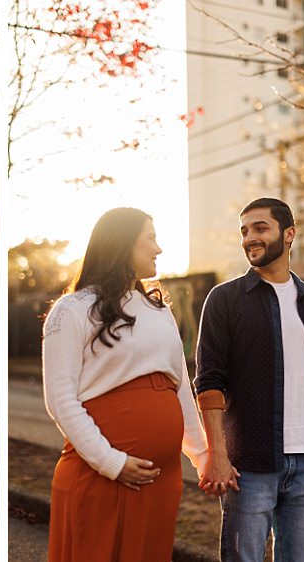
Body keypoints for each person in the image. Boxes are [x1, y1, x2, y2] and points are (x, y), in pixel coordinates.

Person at [42, 207, 214, 562]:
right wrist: (111, 462)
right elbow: (60, 399)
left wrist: (203, 456)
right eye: (150, 238)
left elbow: (180, 387)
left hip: (160, 479)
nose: (159, 249)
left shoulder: (159, 309)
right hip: (101, 473)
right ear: (122, 244)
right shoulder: (71, 309)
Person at [195, 197, 304, 562]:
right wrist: (217, 454)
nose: (250, 237)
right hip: (248, 465)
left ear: (289, 234)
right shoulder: (225, 299)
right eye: (245, 231)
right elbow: (208, 383)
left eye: (260, 228)